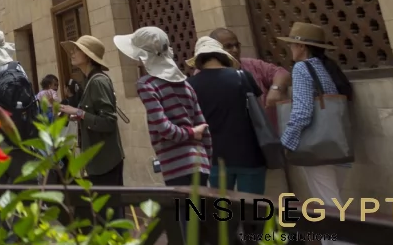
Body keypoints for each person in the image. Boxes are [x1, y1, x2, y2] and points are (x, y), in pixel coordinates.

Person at [278, 22, 355, 245]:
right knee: (329, 205)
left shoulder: (302, 69)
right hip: (338, 144)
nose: (291, 49)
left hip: (316, 149)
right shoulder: (327, 68)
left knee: (329, 207)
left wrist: (286, 142)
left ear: (302, 47)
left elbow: (302, 112)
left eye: (292, 44)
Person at [114, 27, 210, 186]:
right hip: (201, 162)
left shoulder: (146, 85)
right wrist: (208, 161)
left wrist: (191, 133)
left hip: (176, 166)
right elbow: (204, 129)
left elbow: (165, 129)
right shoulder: (186, 85)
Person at [186, 36, 267, 195]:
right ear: (222, 56)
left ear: (199, 60)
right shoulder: (242, 77)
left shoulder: (190, 85)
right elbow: (258, 108)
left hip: (214, 158)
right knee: (253, 209)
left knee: (223, 212)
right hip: (250, 154)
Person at [57, 36, 124, 187]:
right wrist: (78, 116)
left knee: (110, 208)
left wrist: (79, 112)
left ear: (87, 56)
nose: (72, 54)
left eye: (77, 50)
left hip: (106, 161)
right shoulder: (88, 81)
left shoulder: (98, 82)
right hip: (96, 161)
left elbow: (109, 122)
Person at [200, 28, 292, 108]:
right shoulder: (203, 75)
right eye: (228, 46)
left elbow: (281, 73)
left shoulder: (252, 65)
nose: (235, 50)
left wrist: (276, 89)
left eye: (237, 45)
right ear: (216, 49)